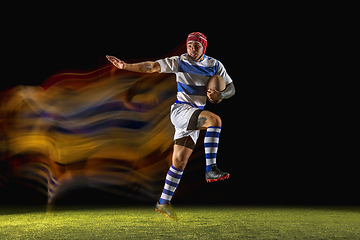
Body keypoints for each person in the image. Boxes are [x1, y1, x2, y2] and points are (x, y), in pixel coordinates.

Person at [106, 32, 235, 221]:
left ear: (204, 47)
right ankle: (211, 169)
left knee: (179, 162)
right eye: (189, 45)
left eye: (196, 46)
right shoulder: (179, 61)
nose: (191, 49)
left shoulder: (215, 65)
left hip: (195, 114)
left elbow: (231, 88)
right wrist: (125, 66)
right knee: (215, 120)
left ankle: (163, 203)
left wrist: (221, 96)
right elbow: (152, 67)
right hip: (181, 111)